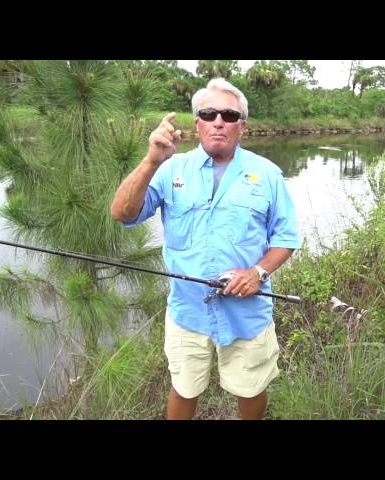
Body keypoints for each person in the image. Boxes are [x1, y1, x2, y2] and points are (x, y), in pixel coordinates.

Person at [111, 78, 300, 420]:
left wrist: (257, 273)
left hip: (247, 313)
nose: (218, 121)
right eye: (209, 113)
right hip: (187, 310)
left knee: (251, 387)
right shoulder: (170, 169)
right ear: (197, 123)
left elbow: (286, 238)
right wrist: (151, 161)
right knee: (184, 388)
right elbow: (122, 213)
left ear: (242, 126)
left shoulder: (267, 174)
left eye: (229, 115)